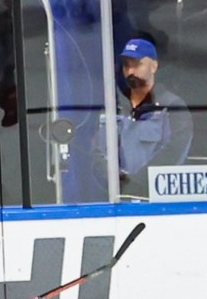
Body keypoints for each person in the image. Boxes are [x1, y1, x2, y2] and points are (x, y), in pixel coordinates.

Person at [68, 38, 192, 199]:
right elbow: (97, 152)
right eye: (127, 65)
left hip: (158, 200)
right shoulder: (112, 107)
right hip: (116, 198)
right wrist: (118, 181)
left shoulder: (172, 106)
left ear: (154, 66)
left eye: (137, 64)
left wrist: (137, 183)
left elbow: (174, 152)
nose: (131, 71)